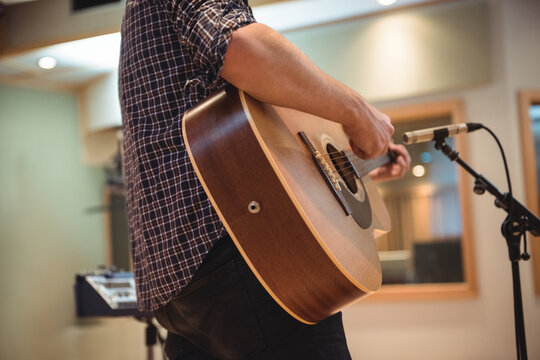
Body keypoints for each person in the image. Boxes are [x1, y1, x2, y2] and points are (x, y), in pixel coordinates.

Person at [118, 0, 411, 359]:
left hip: (178, 284)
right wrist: (357, 111)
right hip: (244, 250)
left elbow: (251, 152)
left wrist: (358, 167)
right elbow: (240, 46)